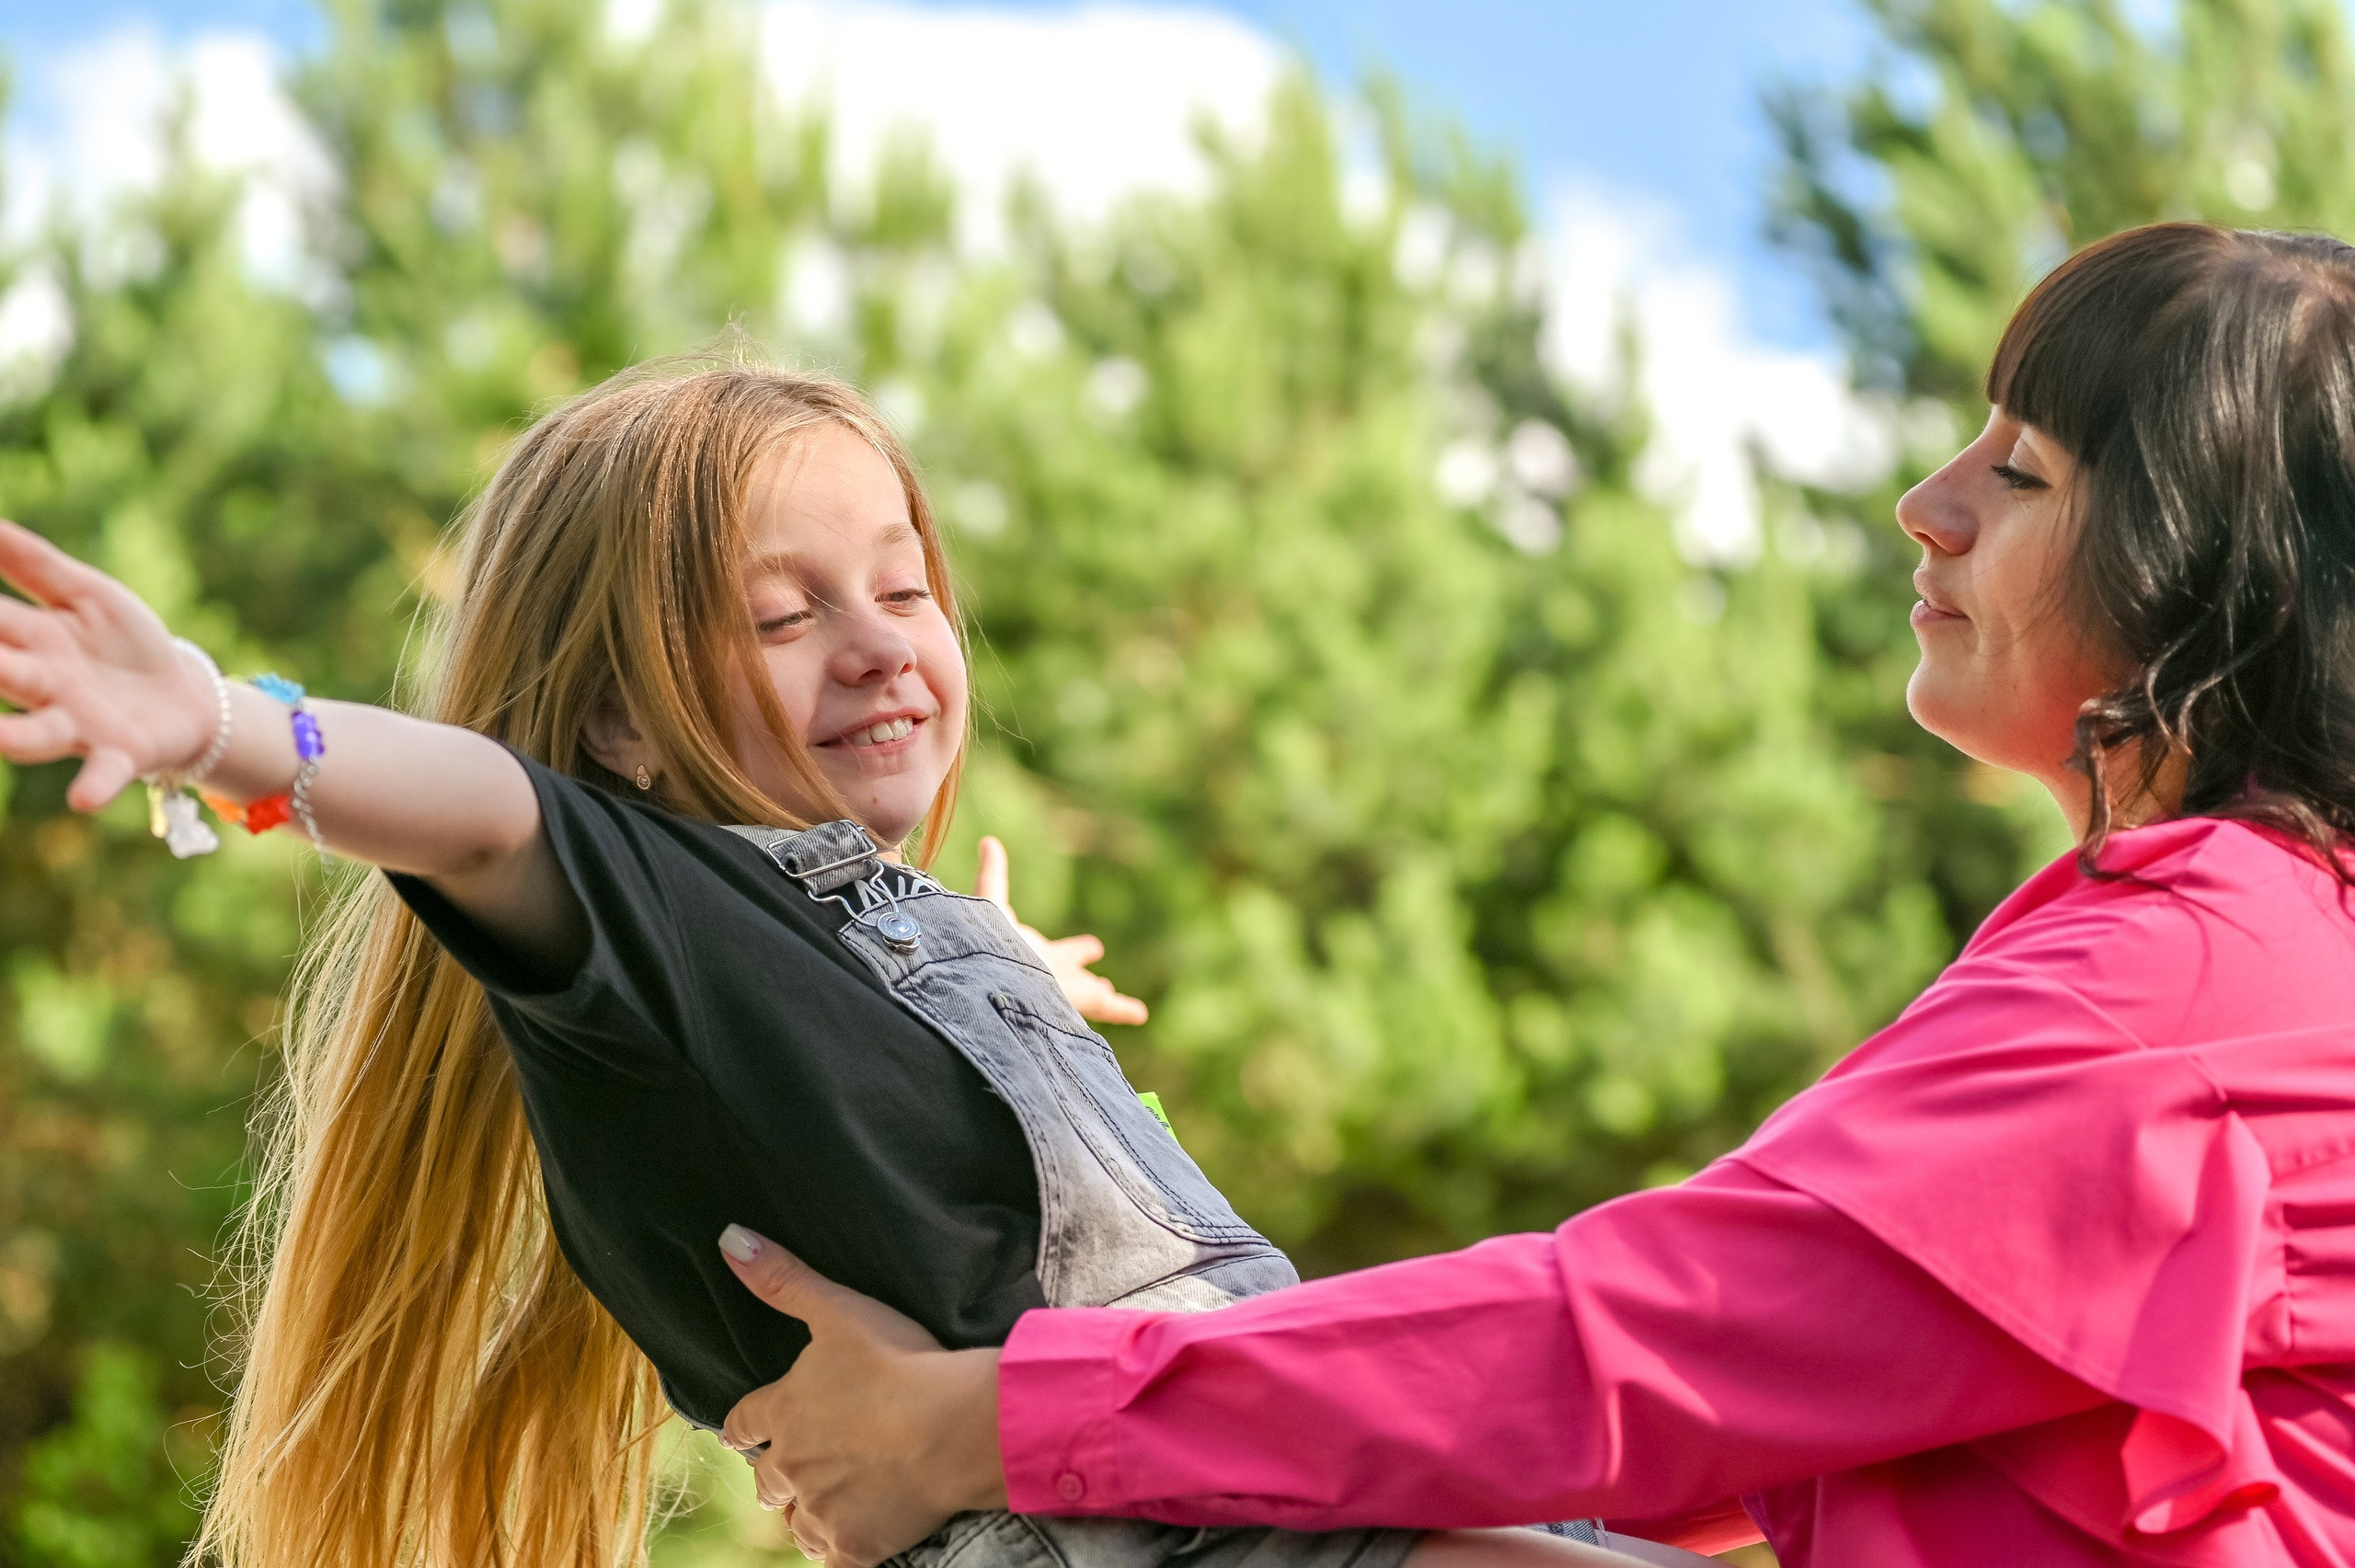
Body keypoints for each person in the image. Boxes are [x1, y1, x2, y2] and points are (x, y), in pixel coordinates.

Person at [704, 223, 2355, 1568]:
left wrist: (987, 1426)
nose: (1928, 501)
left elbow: (1637, 1345)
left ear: (2213, 577)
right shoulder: (2234, 941)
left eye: (2027, 473)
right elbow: (1765, 1408)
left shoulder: (2184, 982)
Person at [0, 362, 1642, 1568]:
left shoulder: (866, 945)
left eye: (904, 586)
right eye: (783, 618)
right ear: (618, 721)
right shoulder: (661, 914)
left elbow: (896, 1099)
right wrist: (224, 725)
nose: (877, 641)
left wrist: (1008, 987)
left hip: (1282, 1482)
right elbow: (490, 815)